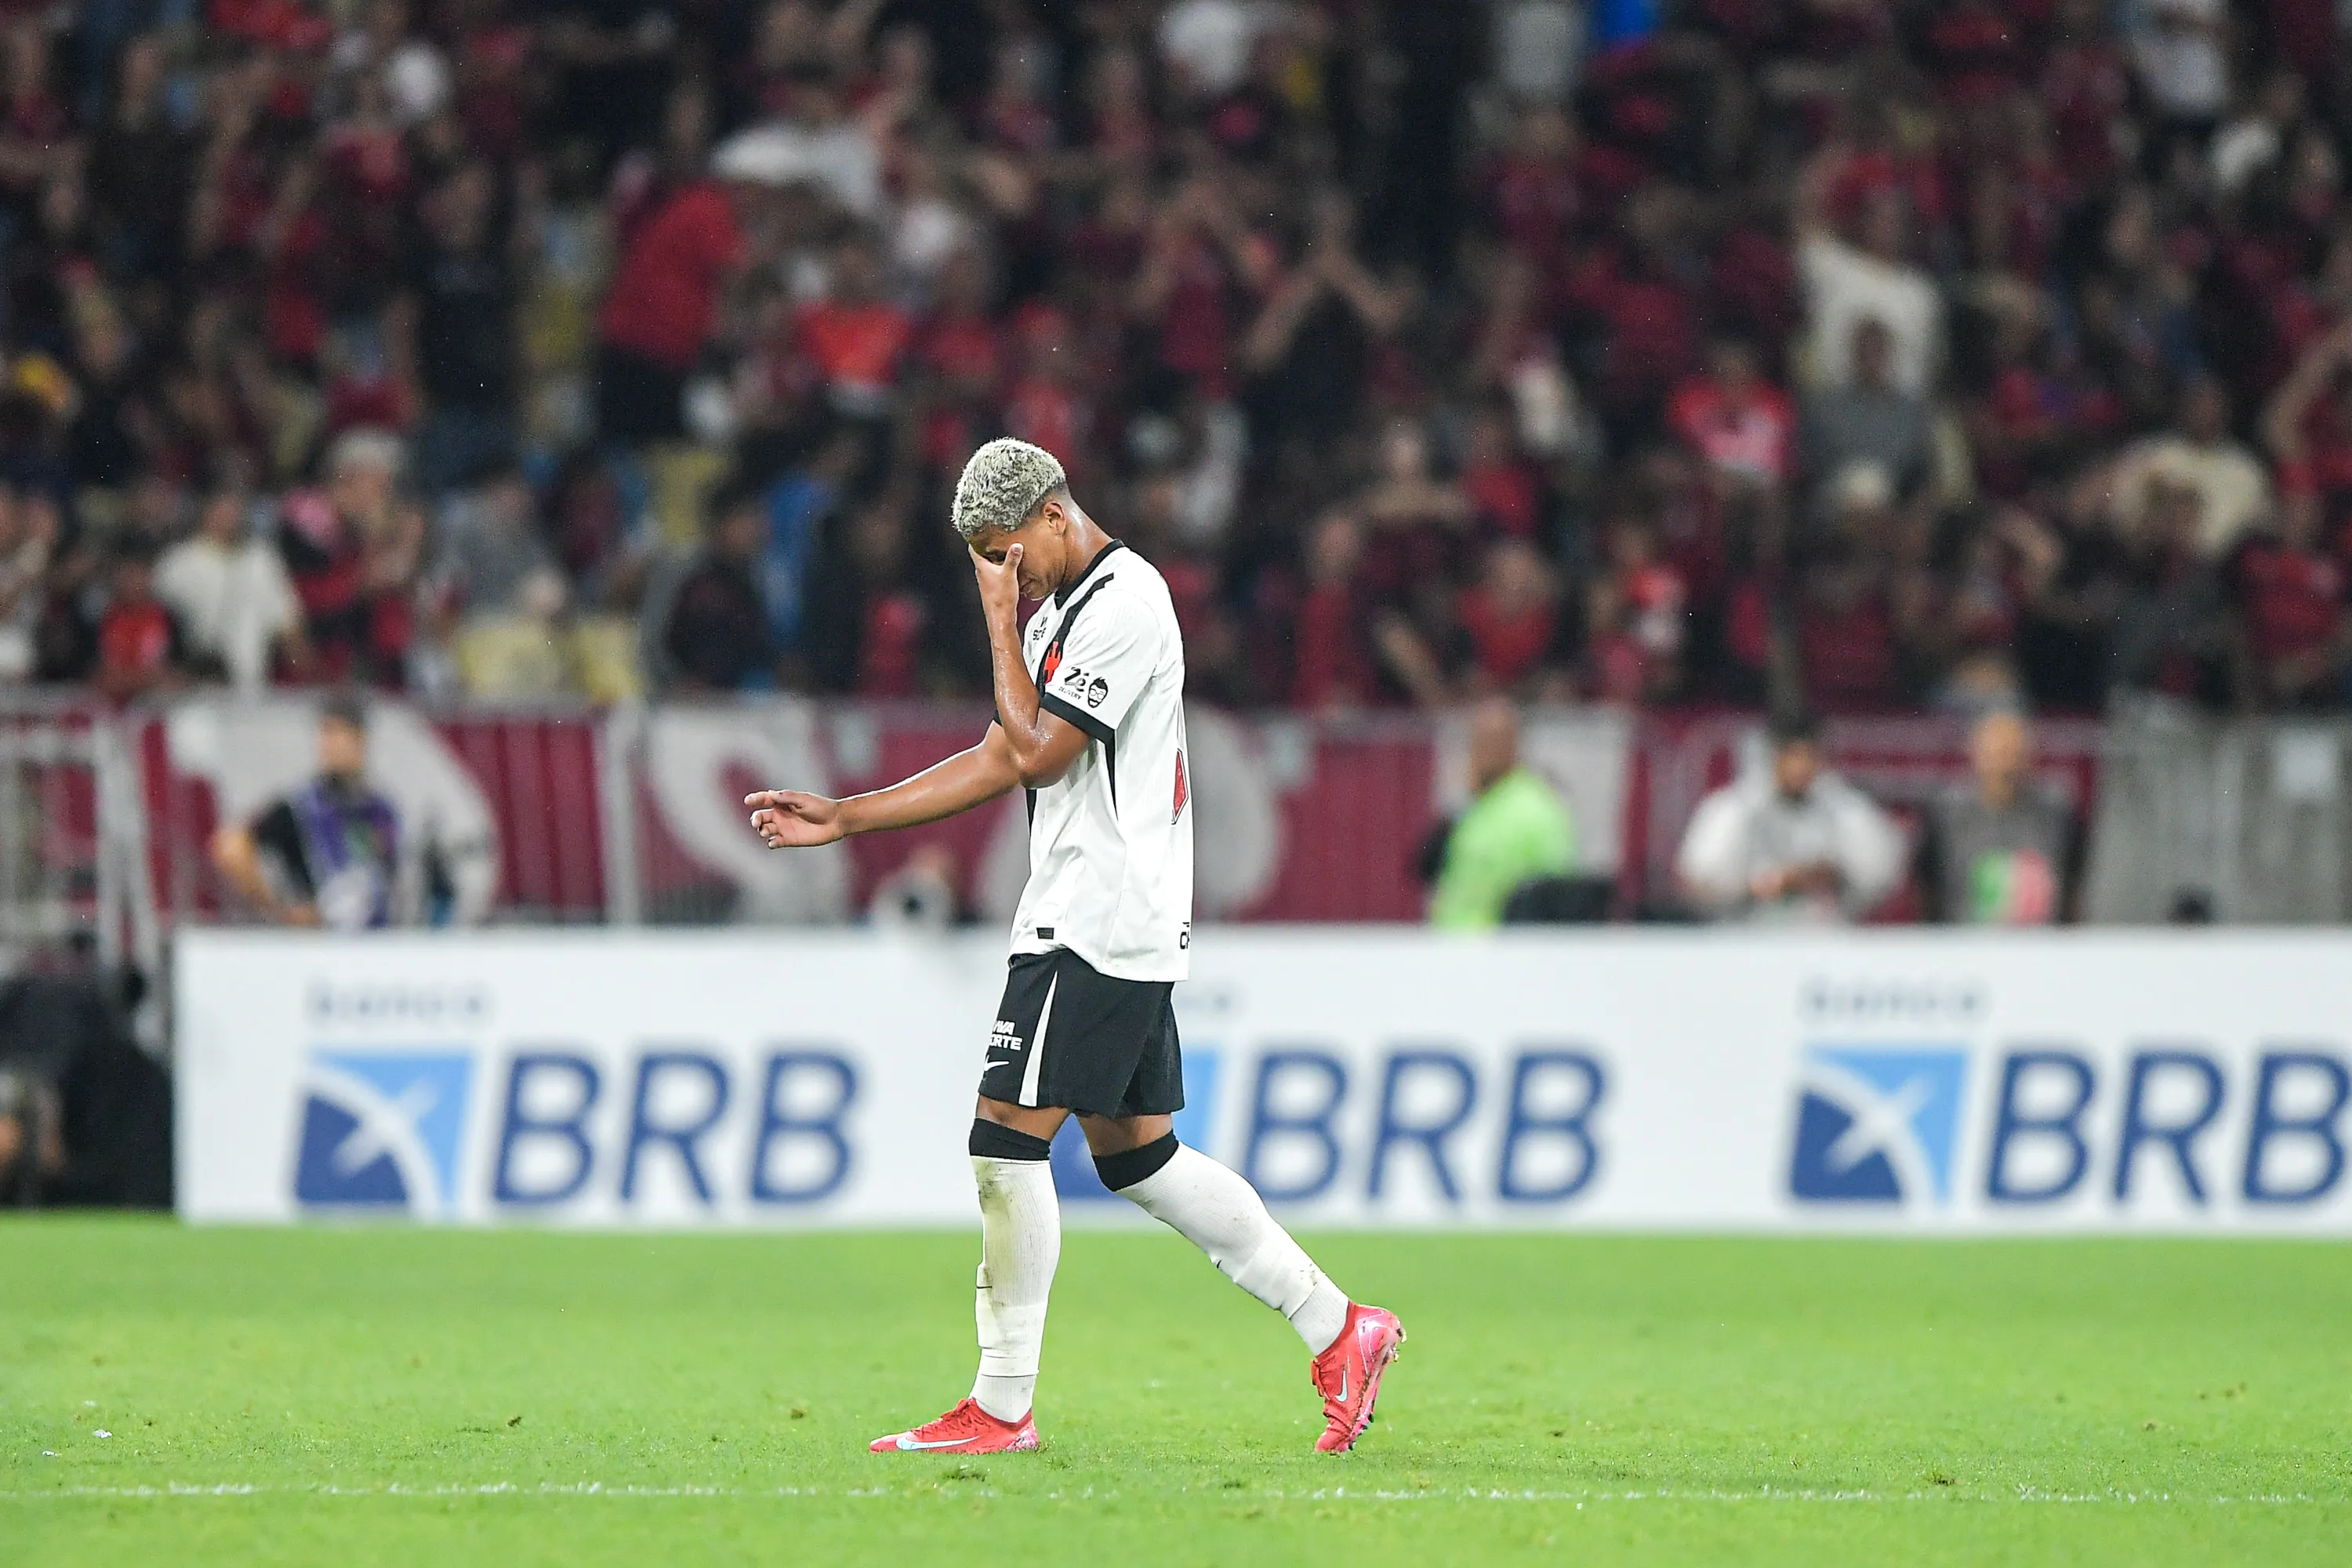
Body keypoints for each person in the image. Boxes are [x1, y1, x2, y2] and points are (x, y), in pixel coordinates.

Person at [745, 438, 1402, 1457]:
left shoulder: (1124, 604)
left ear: (1055, 513)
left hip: (1098, 913)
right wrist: (848, 816)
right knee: (1139, 1158)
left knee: (1004, 1142)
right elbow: (1003, 751)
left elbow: (1042, 751)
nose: (1011, 576)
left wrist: (998, 623)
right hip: (1104, 908)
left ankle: (1002, 1406)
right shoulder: (1066, 609)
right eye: (992, 566)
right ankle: (1340, 1328)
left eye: (1011, 555)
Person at [1675, 709, 1906, 923]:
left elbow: (1880, 874)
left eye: (1810, 756)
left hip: (1826, 939)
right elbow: (1697, 878)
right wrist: (1758, 886)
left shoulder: (1845, 808)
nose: (1801, 767)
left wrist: (1833, 876)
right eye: (1793, 756)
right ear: (1774, 755)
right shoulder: (1734, 807)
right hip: (1744, 937)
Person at [211, 695, 405, 931]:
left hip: (374, 945)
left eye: (337, 735)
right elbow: (231, 847)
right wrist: (280, 909)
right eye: (325, 735)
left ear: (360, 741)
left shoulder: (381, 811)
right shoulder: (300, 807)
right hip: (320, 948)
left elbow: (389, 880)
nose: (328, 745)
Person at [1917, 710, 2080, 924]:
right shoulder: (1947, 814)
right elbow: (1928, 888)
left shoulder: (2057, 813)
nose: (2005, 766)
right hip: (1962, 944)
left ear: (2029, 756)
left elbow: (2074, 884)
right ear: (1974, 752)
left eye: (2013, 753)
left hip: (2041, 946)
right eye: (1997, 753)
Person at [1428, 698, 1577, 930]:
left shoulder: (1538, 806)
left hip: (1502, 950)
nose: (1479, 752)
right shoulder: (1474, 806)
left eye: (1491, 743)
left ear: (1514, 745)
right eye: (1476, 742)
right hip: (1453, 942)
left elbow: (1555, 891)